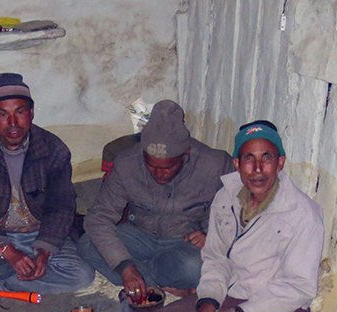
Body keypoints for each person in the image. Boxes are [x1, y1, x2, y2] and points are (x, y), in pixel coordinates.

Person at [149, 120, 323, 312]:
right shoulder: (225, 198)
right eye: (249, 159)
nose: (258, 169)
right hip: (232, 292)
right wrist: (208, 300)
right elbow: (216, 257)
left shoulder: (303, 213)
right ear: (237, 164)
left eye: (267, 158)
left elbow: (299, 287)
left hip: (275, 301)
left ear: (280, 163)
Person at [0, 72, 95, 295]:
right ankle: (25, 275)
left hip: (39, 234)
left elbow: (62, 206)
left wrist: (44, 250)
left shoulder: (53, 149)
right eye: (3, 114)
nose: (13, 123)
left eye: (20, 112)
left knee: (82, 275)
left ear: (31, 113)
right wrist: (7, 251)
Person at [78, 99, 231, 298]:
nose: (159, 174)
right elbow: (99, 218)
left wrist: (212, 235)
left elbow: (238, 209)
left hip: (183, 245)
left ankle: (146, 276)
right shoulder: (127, 163)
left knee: (196, 267)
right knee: (87, 243)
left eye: (168, 167)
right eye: (151, 166)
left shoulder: (215, 163)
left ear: (185, 153)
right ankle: (153, 284)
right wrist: (125, 266)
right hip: (139, 236)